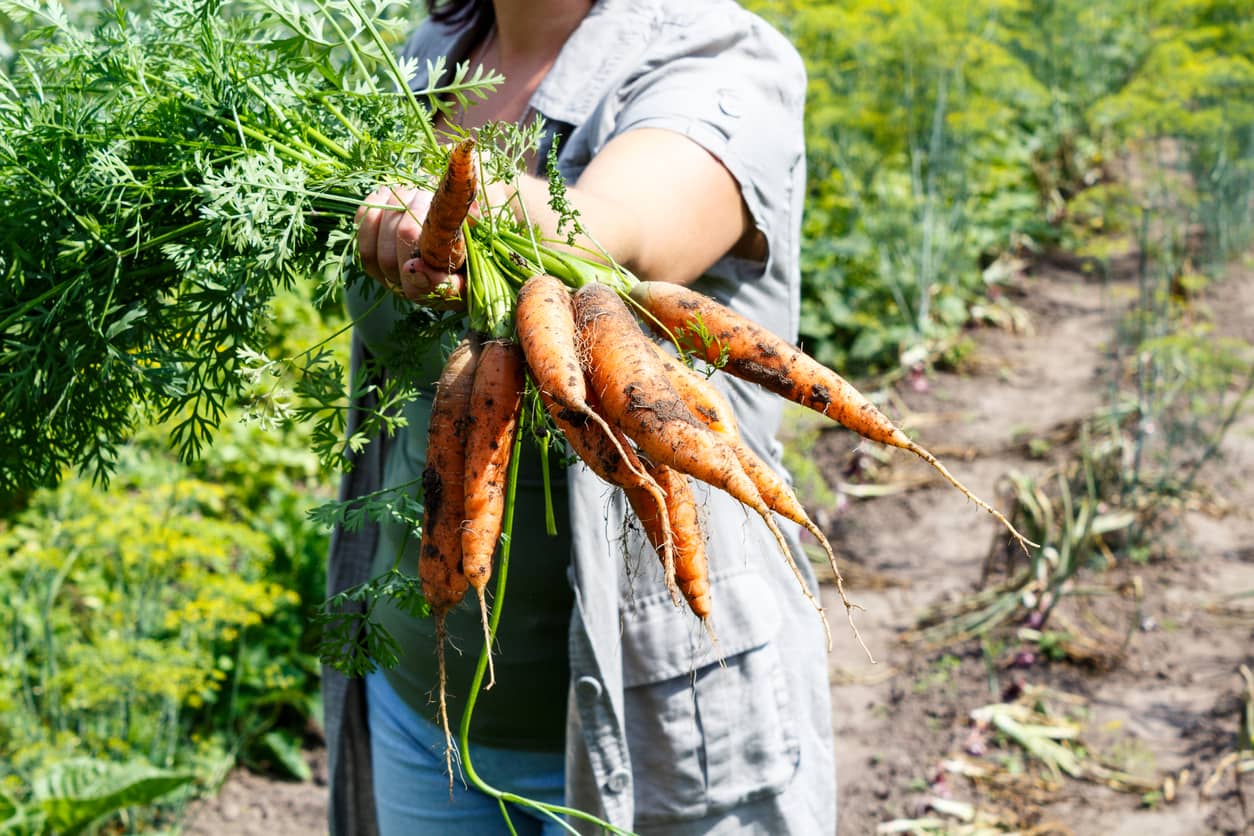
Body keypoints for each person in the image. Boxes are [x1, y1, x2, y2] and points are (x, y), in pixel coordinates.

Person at [325, 0, 836, 833]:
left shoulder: (720, 54)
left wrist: (457, 197)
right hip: (420, 709)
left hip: (660, 733)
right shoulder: (422, 61)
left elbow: (617, 231)